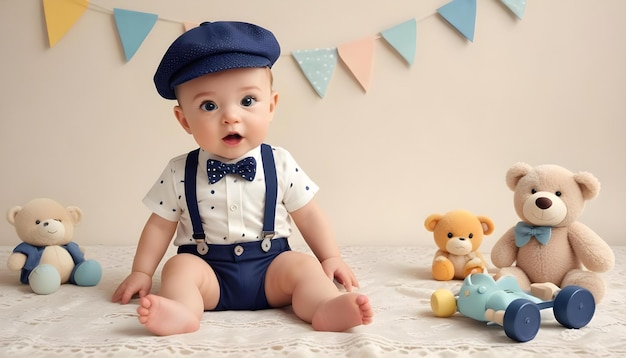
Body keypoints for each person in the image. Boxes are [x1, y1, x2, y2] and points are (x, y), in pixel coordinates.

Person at [111, 21, 373, 336]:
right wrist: (142, 271)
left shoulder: (280, 163)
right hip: (209, 273)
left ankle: (323, 307)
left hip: (271, 268)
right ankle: (183, 311)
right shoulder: (179, 171)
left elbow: (309, 213)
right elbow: (159, 225)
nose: (230, 116)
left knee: (304, 267)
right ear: (184, 121)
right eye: (208, 106)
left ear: (272, 106)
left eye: (247, 101)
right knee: (177, 269)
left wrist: (330, 257)